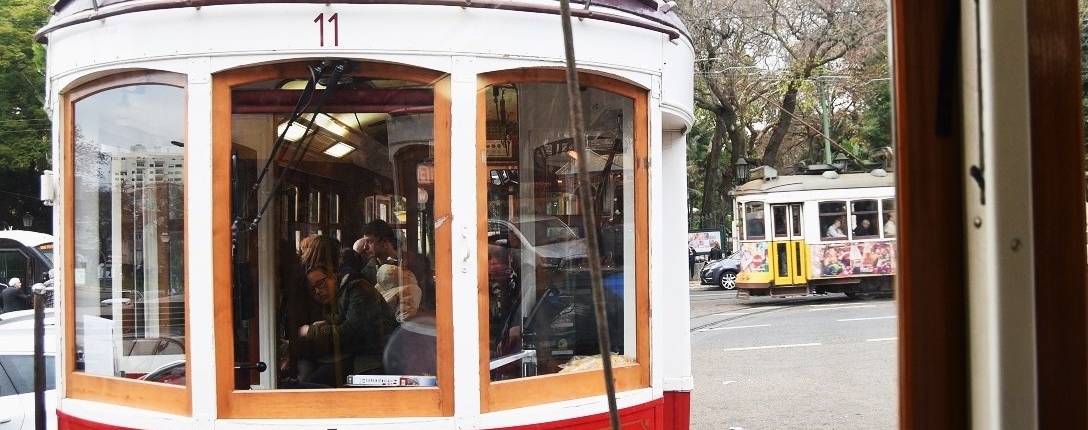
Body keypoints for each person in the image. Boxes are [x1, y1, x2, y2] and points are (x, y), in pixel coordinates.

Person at [295, 265, 398, 388]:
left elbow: (352, 332)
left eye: (320, 283)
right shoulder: (332, 304)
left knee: (315, 383)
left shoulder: (359, 289)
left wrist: (312, 331)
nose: (318, 291)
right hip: (353, 355)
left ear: (333, 277)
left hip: (374, 358)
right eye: (312, 290)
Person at [355, 219, 433, 311]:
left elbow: (430, 297)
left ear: (384, 242)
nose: (365, 247)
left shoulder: (417, 262)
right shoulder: (366, 273)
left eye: (370, 241)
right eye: (365, 242)